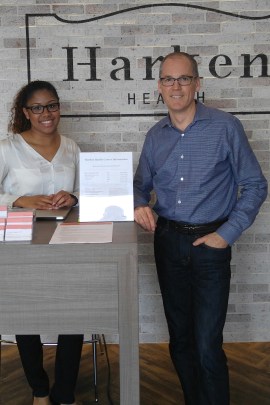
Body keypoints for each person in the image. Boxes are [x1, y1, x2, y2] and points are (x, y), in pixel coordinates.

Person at [133, 52, 268, 405]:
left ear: (198, 83)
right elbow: (139, 185)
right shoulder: (155, 137)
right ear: (159, 86)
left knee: (208, 344)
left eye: (184, 78)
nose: (175, 86)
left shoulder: (225, 127)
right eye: (168, 79)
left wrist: (227, 234)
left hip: (211, 245)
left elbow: (255, 185)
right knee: (180, 340)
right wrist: (137, 204)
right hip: (167, 242)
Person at [1, 80, 83, 405]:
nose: (46, 113)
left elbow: (87, 193)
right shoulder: (8, 148)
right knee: (27, 317)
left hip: (68, 243)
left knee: (74, 316)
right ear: (26, 112)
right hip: (22, 244)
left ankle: (65, 392)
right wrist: (20, 199)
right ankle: (39, 389)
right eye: (37, 107)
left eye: (52, 105)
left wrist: (74, 195)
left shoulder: (72, 147)